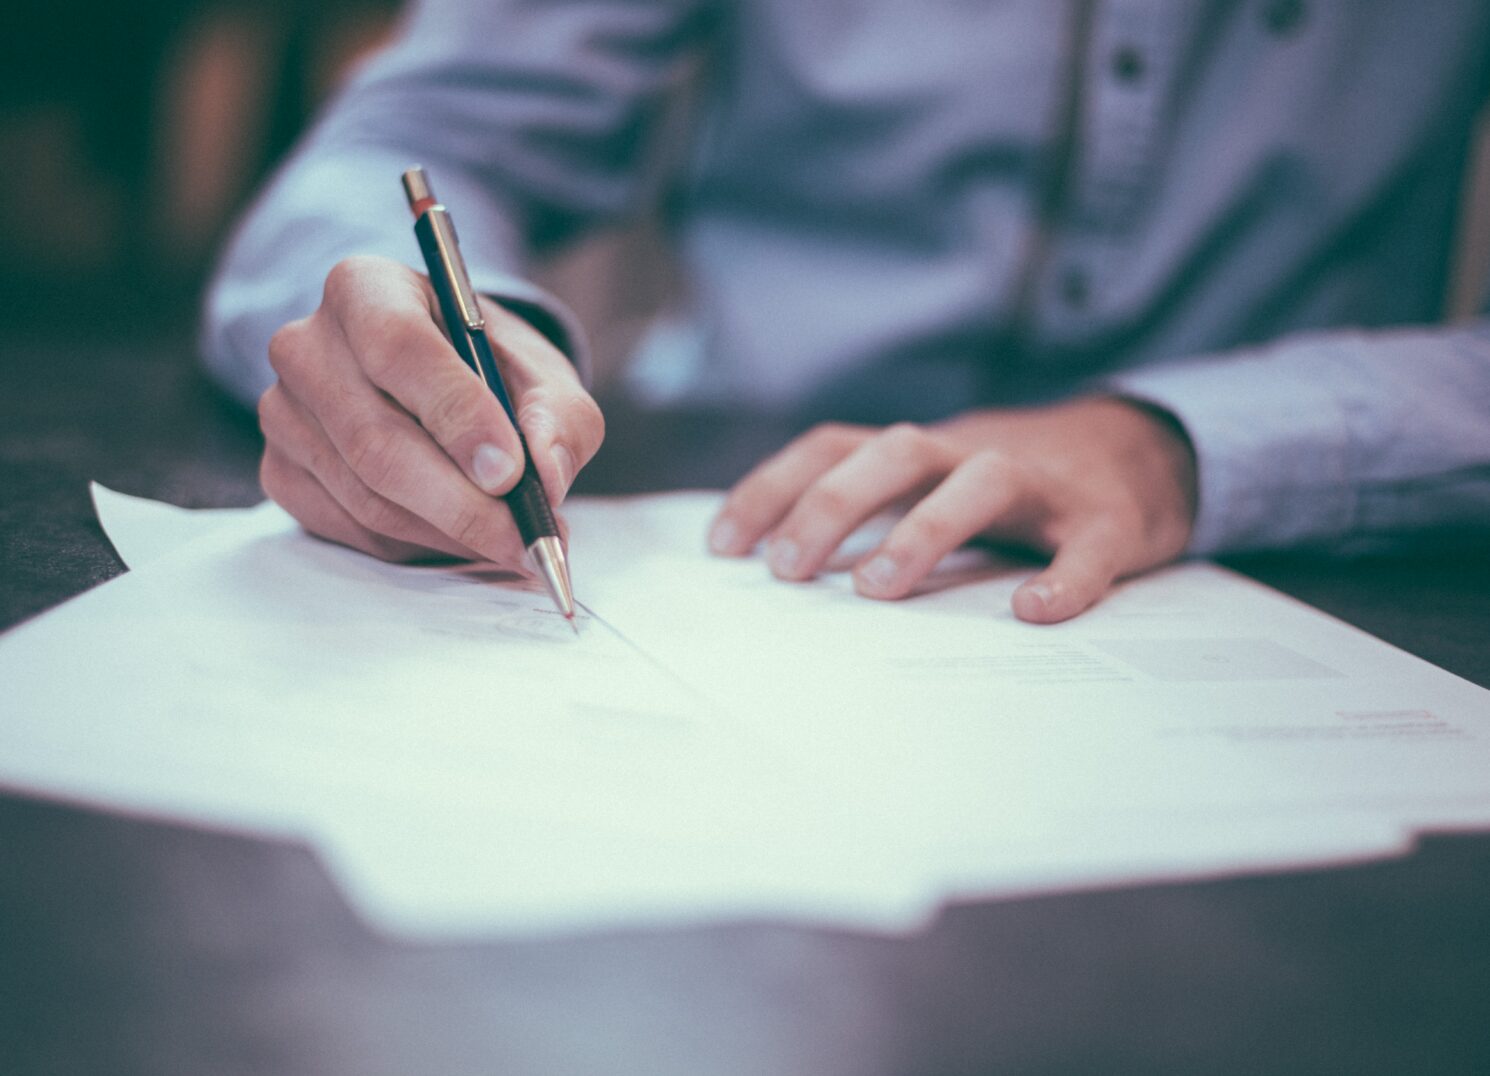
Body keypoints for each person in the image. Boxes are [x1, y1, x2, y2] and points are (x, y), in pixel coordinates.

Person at [203, 0, 1490, 624]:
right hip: (729, 520)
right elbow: (412, 137)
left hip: (1310, 571)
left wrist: (1177, 440)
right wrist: (406, 338)